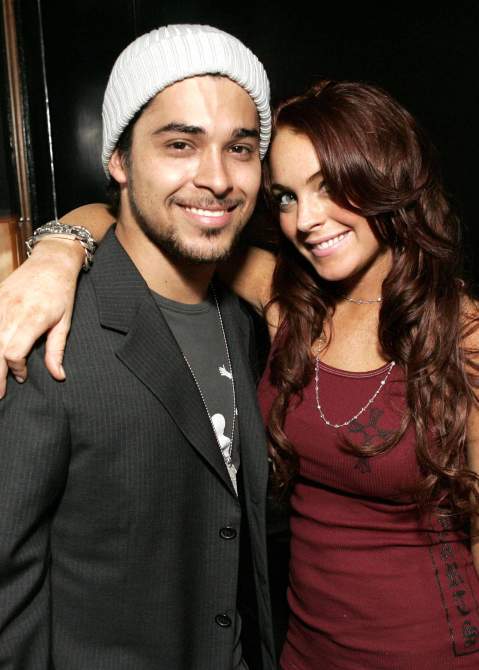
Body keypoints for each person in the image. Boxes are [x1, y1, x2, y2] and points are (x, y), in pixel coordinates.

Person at [1, 79, 479, 668]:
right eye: (286, 197)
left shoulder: (463, 335)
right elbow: (141, 214)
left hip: (432, 648)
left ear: (388, 178)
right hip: (303, 652)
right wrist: (58, 251)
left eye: (331, 186)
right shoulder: (290, 302)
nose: (307, 220)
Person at [0, 24, 277, 670]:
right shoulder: (46, 329)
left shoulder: (248, 317)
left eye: (240, 148)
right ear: (119, 161)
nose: (217, 178)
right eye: (180, 144)